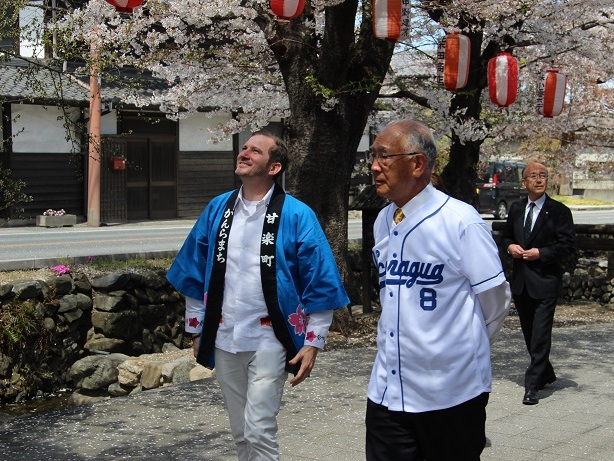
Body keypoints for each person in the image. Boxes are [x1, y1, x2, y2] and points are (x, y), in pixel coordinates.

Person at [167, 131, 349, 461]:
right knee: (240, 432)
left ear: (274, 167)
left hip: (270, 337)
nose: (245, 153)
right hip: (225, 335)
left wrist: (314, 340)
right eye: (244, 148)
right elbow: (193, 272)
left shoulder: (297, 214)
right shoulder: (217, 209)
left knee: (259, 427)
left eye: (255, 150)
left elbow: (319, 280)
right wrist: (196, 328)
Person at [365, 120, 511, 461]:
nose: (374, 166)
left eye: (384, 156)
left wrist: (460, 347)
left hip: (450, 393)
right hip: (388, 389)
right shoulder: (384, 220)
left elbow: (495, 301)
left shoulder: (461, 221)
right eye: (373, 156)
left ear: (417, 164)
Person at [500, 162, 576, 405]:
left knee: (541, 335)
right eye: (533, 176)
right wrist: (510, 246)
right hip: (522, 282)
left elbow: (567, 246)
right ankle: (546, 372)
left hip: (545, 282)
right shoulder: (517, 208)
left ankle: (532, 385)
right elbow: (506, 237)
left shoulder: (559, 211)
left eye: (543, 176)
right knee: (530, 333)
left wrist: (540, 253)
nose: (539, 180)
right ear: (524, 182)